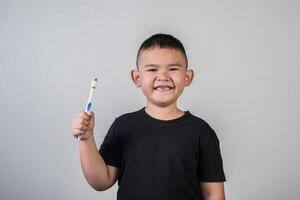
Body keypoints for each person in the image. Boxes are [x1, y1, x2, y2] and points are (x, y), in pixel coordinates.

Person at [71, 33, 226, 200]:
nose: (163, 76)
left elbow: (214, 194)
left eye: (173, 69)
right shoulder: (123, 126)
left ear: (187, 77)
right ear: (137, 78)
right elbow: (101, 181)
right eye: (152, 69)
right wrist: (86, 139)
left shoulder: (202, 132)